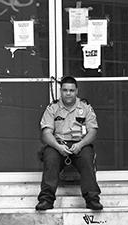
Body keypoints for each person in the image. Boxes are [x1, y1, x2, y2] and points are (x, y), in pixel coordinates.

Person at [35, 76, 103, 211]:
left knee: (86, 157)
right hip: (58, 144)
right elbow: (46, 134)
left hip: (80, 144)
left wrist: (81, 144)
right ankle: (46, 200)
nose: (68, 93)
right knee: (50, 157)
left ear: (76, 91)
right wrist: (58, 147)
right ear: (61, 91)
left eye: (71, 90)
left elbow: (93, 132)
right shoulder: (53, 108)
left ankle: (92, 199)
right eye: (65, 90)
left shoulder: (85, 108)